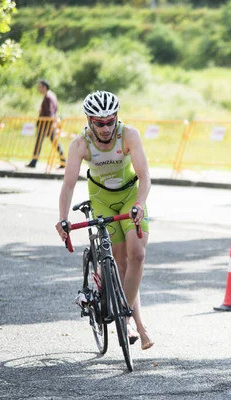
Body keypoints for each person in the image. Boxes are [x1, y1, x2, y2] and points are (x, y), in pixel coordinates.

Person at [54, 90, 154, 350]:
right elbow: (68, 185)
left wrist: (139, 203)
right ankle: (133, 322)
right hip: (101, 199)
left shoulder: (129, 135)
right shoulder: (80, 144)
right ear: (89, 121)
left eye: (111, 121)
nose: (106, 128)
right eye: (99, 123)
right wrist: (63, 219)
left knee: (138, 256)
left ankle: (127, 318)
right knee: (120, 262)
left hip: (131, 195)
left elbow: (145, 176)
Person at [27, 79, 66, 169]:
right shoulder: (50, 95)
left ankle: (34, 161)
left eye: (40, 87)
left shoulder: (48, 97)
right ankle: (63, 160)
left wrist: (51, 123)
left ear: (45, 87)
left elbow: (50, 112)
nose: (39, 89)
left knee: (40, 142)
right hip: (48, 124)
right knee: (54, 142)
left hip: (46, 124)